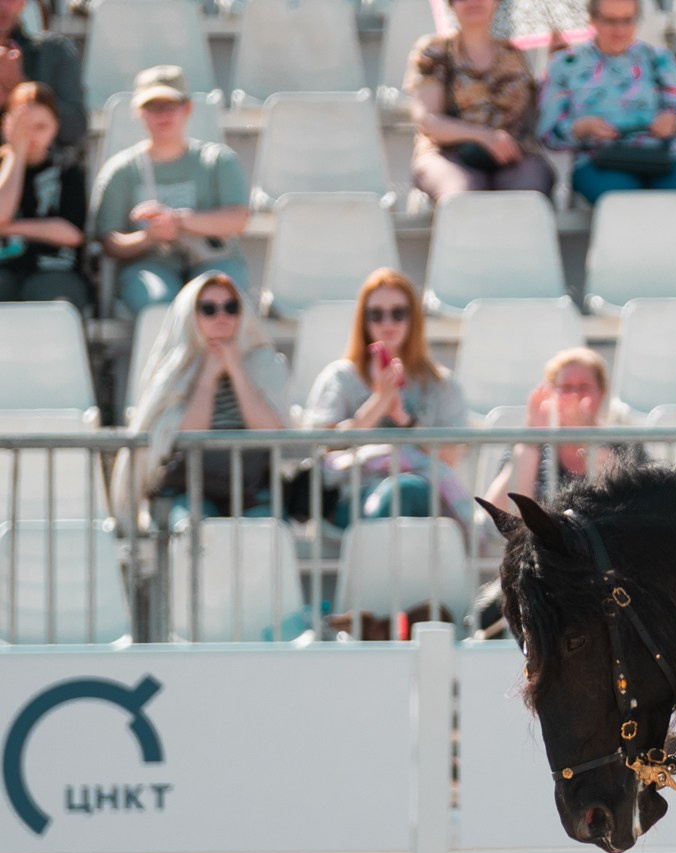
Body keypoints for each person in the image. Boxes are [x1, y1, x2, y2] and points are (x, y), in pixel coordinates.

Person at [302, 269, 474, 527]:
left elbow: (449, 457)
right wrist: (378, 403)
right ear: (364, 321)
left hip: (423, 492)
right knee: (396, 495)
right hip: (351, 494)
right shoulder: (340, 377)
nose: (387, 322)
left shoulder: (441, 383)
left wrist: (403, 419)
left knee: (402, 491)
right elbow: (320, 447)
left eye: (398, 313)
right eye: (376, 314)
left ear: (413, 318)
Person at [129, 270, 288, 526]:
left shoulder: (264, 363)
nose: (222, 317)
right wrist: (207, 377)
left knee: (266, 533)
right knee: (191, 532)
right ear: (191, 316)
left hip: (253, 486)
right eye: (209, 309)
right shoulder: (174, 371)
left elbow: (270, 430)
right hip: (189, 487)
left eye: (230, 307)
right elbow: (189, 434)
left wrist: (236, 369)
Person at [89, 66, 250, 312]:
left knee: (219, 304)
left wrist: (178, 220)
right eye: (152, 107)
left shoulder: (218, 161)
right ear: (138, 112)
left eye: (170, 105)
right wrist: (149, 237)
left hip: (214, 261)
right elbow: (109, 240)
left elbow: (237, 219)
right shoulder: (120, 170)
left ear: (187, 108)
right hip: (150, 265)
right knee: (157, 305)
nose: (162, 115)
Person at [538, 0, 676, 204]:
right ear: (592, 20)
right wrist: (581, 128)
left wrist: (675, 123)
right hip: (600, 160)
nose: (620, 30)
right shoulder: (566, 64)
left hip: (664, 157)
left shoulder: (659, 58)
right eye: (611, 21)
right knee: (620, 201)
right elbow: (547, 134)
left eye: (628, 21)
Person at [405, 0, 554, 202]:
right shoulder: (434, 51)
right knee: (463, 198)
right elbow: (428, 121)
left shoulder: (513, 54)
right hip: (447, 155)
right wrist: (485, 137)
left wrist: (556, 64)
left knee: (527, 196)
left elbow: (534, 113)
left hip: (511, 156)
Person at [483, 348, 635, 513]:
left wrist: (585, 436)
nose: (574, 396)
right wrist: (532, 436)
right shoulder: (531, 446)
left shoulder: (625, 443)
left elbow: (627, 507)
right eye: (566, 388)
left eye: (584, 387)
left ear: (602, 392)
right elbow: (500, 513)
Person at [0, 81, 86, 311]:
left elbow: (70, 234)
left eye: (40, 126)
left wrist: (9, 228)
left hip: (54, 270)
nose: (31, 135)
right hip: (4, 268)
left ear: (55, 127)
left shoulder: (67, 170)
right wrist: (15, 156)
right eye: (23, 126)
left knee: (56, 308)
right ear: (6, 123)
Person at [0, 0, 84, 162]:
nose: (2, 5)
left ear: (23, 2)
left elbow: (75, 131)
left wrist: (21, 88)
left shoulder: (54, 52)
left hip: (39, 179)